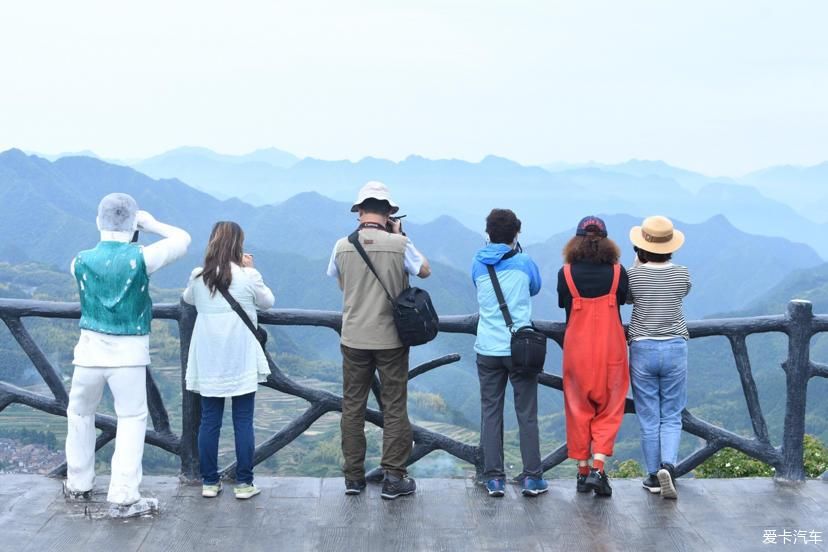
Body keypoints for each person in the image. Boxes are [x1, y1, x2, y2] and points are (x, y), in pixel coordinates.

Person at [65, 193, 190, 514]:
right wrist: (150, 224)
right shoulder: (142, 258)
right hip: (129, 355)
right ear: (134, 224)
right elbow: (182, 239)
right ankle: (123, 494)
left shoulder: (78, 260)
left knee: (79, 414)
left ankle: (78, 482)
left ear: (97, 221)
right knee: (132, 419)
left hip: (88, 353)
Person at [326, 181, 431, 499]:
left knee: (353, 407)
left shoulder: (342, 245)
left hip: (354, 336)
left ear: (359, 211)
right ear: (389, 213)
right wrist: (401, 236)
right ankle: (393, 477)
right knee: (395, 406)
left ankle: (353, 478)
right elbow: (424, 271)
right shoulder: (400, 244)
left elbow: (340, 282)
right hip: (391, 339)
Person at [183, 221, 274, 500]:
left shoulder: (199, 276)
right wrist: (249, 269)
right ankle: (245, 484)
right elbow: (268, 301)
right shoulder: (248, 276)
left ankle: (210, 482)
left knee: (210, 420)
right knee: (243, 420)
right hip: (240, 355)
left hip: (209, 356)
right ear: (239, 246)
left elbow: (187, 299)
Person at [472, 208, 547, 498]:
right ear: (516, 233)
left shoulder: (478, 263)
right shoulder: (524, 261)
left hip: (488, 348)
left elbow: (477, 285)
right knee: (526, 414)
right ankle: (532, 478)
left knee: (491, 412)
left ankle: (494, 479)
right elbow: (535, 288)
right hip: (520, 349)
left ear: (488, 234)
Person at [557, 216, 629, 497]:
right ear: (607, 241)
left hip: (577, 351)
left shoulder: (565, 273)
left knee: (577, 409)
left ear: (575, 241)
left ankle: (582, 470)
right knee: (610, 408)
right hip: (611, 348)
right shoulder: (617, 272)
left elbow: (565, 305)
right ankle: (599, 468)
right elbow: (622, 300)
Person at [626, 215, 691, 500]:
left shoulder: (633, 275)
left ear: (640, 248)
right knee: (672, 415)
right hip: (675, 346)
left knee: (649, 415)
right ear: (671, 247)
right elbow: (683, 292)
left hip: (642, 347)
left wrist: (637, 266)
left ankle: (653, 476)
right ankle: (669, 466)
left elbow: (627, 298)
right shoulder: (682, 273)